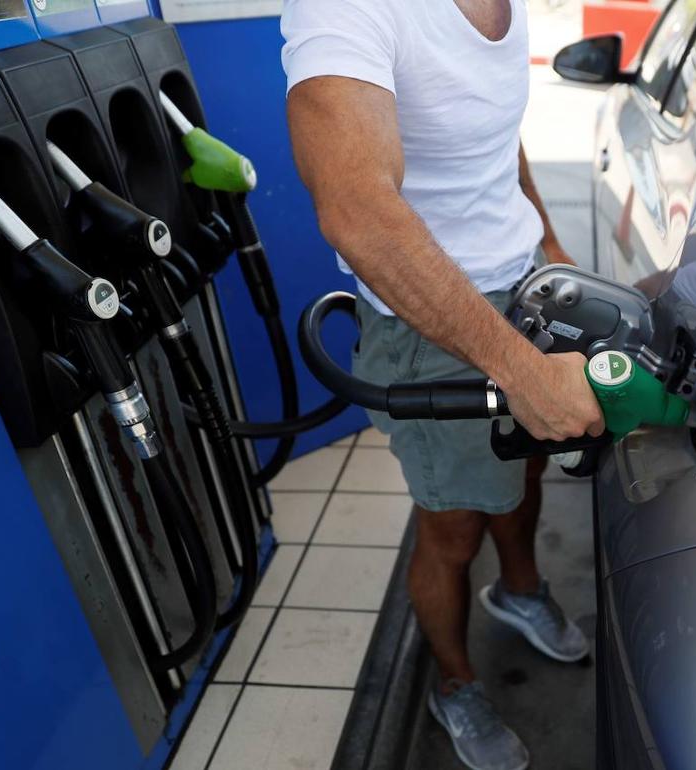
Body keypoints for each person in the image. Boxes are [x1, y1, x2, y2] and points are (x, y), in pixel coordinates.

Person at [281, 1, 605, 768]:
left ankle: (520, 590)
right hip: (434, 321)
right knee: (453, 529)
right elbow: (358, 209)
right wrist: (521, 370)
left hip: (521, 286)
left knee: (524, 472)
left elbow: (491, 129)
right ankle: (455, 684)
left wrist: (547, 240)